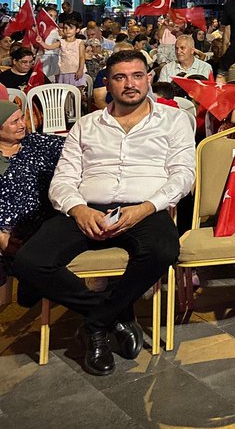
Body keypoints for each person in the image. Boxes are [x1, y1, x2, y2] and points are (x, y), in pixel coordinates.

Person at [12, 51, 194, 376]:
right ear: (107, 83)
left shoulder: (174, 120)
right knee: (28, 261)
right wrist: (78, 209)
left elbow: (183, 175)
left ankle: (95, 326)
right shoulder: (86, 125)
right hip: (87, 208)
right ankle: (114, 314)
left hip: (145, 208)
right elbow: (63, 180)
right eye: (120, 77)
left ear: (148, 79)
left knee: (164, 249)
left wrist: (146, 208)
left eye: (137, 75)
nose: (130, 84)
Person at [0, 100, 65, 287]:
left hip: (39, 228)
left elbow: (79, 146)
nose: (22, 125)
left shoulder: (39, 143)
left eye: (22, 118)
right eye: (14, 122)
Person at [54, 14, 87, 87]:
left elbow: (82, 57)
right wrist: (41, 42)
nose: (68, 30)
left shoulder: (79, 42)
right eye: (65, 28)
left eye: (71, 28)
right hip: (64, 71)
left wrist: (80, 69)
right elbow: (49, 47)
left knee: (77, 92)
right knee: (65, 93)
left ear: (77, 30)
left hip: (76, 71)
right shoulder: (61, 42)